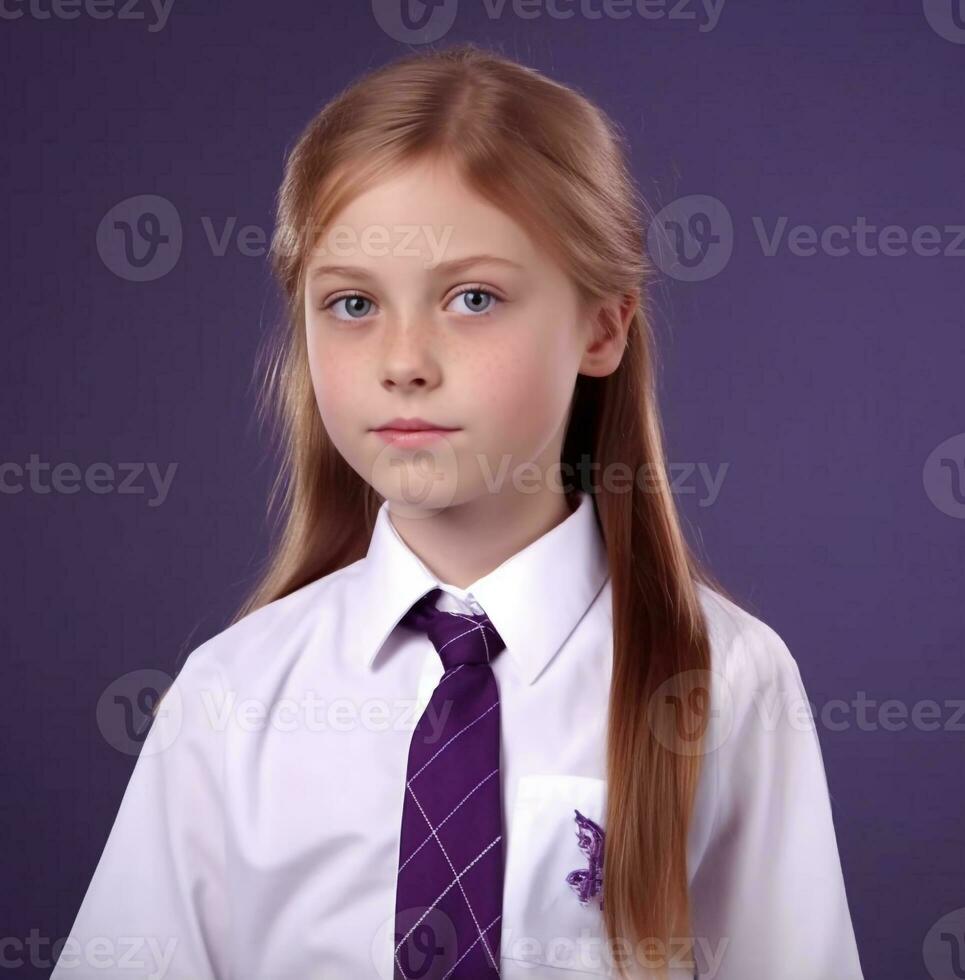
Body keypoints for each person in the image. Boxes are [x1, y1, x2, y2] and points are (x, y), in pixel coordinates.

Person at [52, 43, 864, 980]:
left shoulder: (727, 684)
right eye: (352, 303)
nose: (403, 360)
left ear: (601, 325)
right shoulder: (230, 696)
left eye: (472, 298)